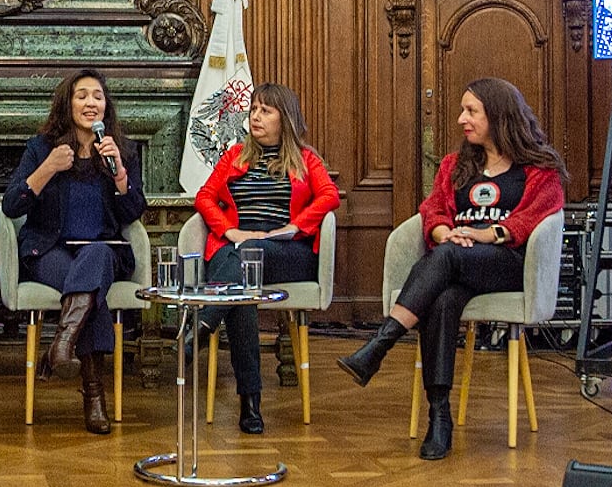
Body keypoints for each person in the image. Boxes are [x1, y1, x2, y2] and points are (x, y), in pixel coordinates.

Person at [337, 77, 565, 460]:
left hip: (507, 264)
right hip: (458, 259)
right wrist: (448, 233)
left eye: (471, 111)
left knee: (445, 257)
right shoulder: (455, 166)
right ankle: (439, 416)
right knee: (441, 298)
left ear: (498, 116)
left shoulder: (538, 169)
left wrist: (482, 235)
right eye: (463, 110)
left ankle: (381, 343)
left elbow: (533, 219)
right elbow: (433, 211)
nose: (462, 118)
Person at [1, 68, 145, 434]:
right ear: (68, 104)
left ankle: (62, 342)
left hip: (104, 251)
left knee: (95, 256)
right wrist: (47, 169)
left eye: (97, 96)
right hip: (50, 250)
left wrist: (119, 176)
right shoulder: (41, 149)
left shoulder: (122, 150)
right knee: (89, 293)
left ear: (106, 106)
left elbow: (133, 213)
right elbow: (12, 206)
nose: (91, 103)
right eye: (82, 96)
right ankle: (93, 397)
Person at [191, 84, 339, 433]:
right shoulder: (234, 156)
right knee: (241, 294)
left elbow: (329, 196)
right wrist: (231, 232)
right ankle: (250, 404)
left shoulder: (306, 160)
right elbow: (204, 198)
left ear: (284, 119)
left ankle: (201, 326)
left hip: (286, 251)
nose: (255, 116)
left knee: (244, 266)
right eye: (253, 109)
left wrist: (291, 227)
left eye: (265, 110)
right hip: (238, 248)